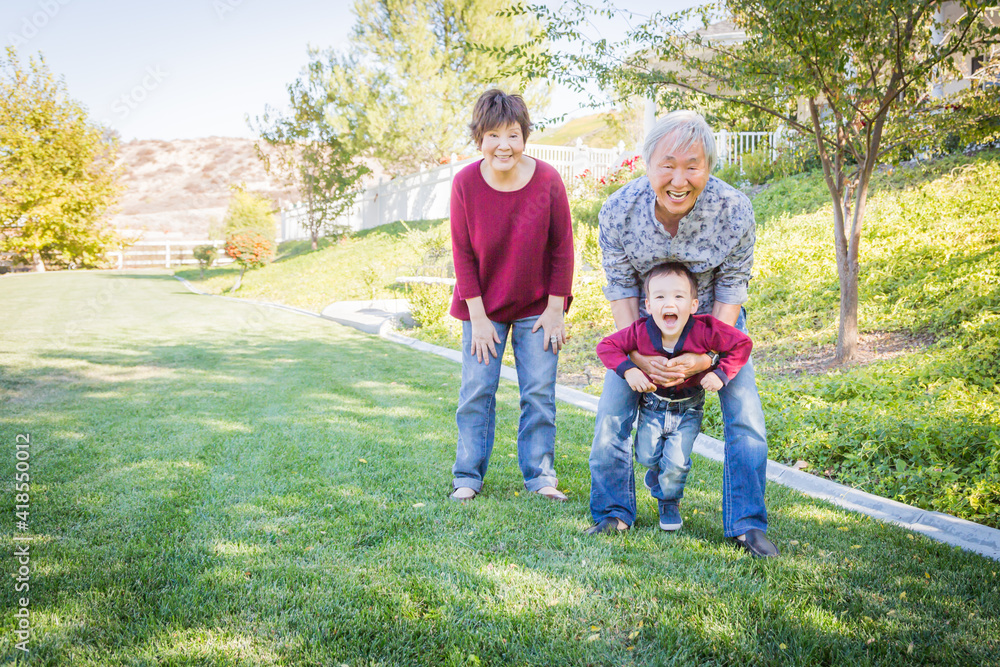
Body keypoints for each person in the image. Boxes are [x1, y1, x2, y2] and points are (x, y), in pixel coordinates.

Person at [586, 110, 779, 558]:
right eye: (667, 165)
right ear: (646, 163)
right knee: (612, 415)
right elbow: (619, 287)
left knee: (745, 416)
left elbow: (733, 284)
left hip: (716, 324)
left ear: (708, 167)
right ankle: (613, 512)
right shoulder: (618, 210)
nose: (679, 178)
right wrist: (636, 357)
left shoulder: (733, 210)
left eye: (692, 165)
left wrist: (710, 356)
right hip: (644, 323)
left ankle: (747, 525)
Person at [448, 89, 574, 502]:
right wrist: (479, 319)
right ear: (479, 138)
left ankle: (540, 478)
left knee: (538, 392)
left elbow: (562, 248)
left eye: (514, 135)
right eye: (494, 135)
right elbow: (463, 254)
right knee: (477, 392)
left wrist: (557, 310)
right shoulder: (465, 183)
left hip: (538, 309)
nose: (505, 145)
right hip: (482, 308)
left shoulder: (548, 181)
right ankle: (468, 475)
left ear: (525, 137)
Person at [596, 262, 752, 532]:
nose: (670, 303)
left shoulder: (706, 330)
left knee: (677, 464)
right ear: (648, 305)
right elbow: (606, 346)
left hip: (688, 409)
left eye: (679, 296)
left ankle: (669, 501)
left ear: (693, 305)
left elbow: (742, 343)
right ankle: (656, 475)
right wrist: (628, 369)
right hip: (653, 406)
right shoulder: (640, 331)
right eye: (660, 297)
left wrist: (721, 373)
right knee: (645, 456)